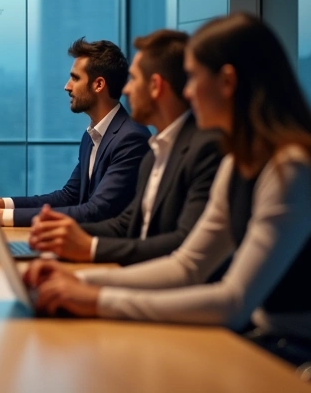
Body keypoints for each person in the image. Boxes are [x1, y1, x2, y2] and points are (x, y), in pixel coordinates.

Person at [26, 13, 311, 373]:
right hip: (282, 348)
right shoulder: (239, 161)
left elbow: (233, 303)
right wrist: (77, 281)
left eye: (191, 77)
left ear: (226, 81)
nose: (186, 91)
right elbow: (188, 265)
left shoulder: (292, 167)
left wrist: (97, 300)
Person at [26, 29, 222, 265]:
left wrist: (87, 252)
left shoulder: (198, 149)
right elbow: (127, 224)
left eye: (134, 79)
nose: (126, 90)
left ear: (156, 86)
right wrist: (65, 237)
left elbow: (182, 246)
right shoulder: (156, 151)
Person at [0, 38, 150, 226]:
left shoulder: (131, 138)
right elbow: (69, 196)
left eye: (75, 78)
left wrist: (2, 218)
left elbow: (96, 211)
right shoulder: (92, 136)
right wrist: (2, 204)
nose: (67, 86)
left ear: (98, 84)